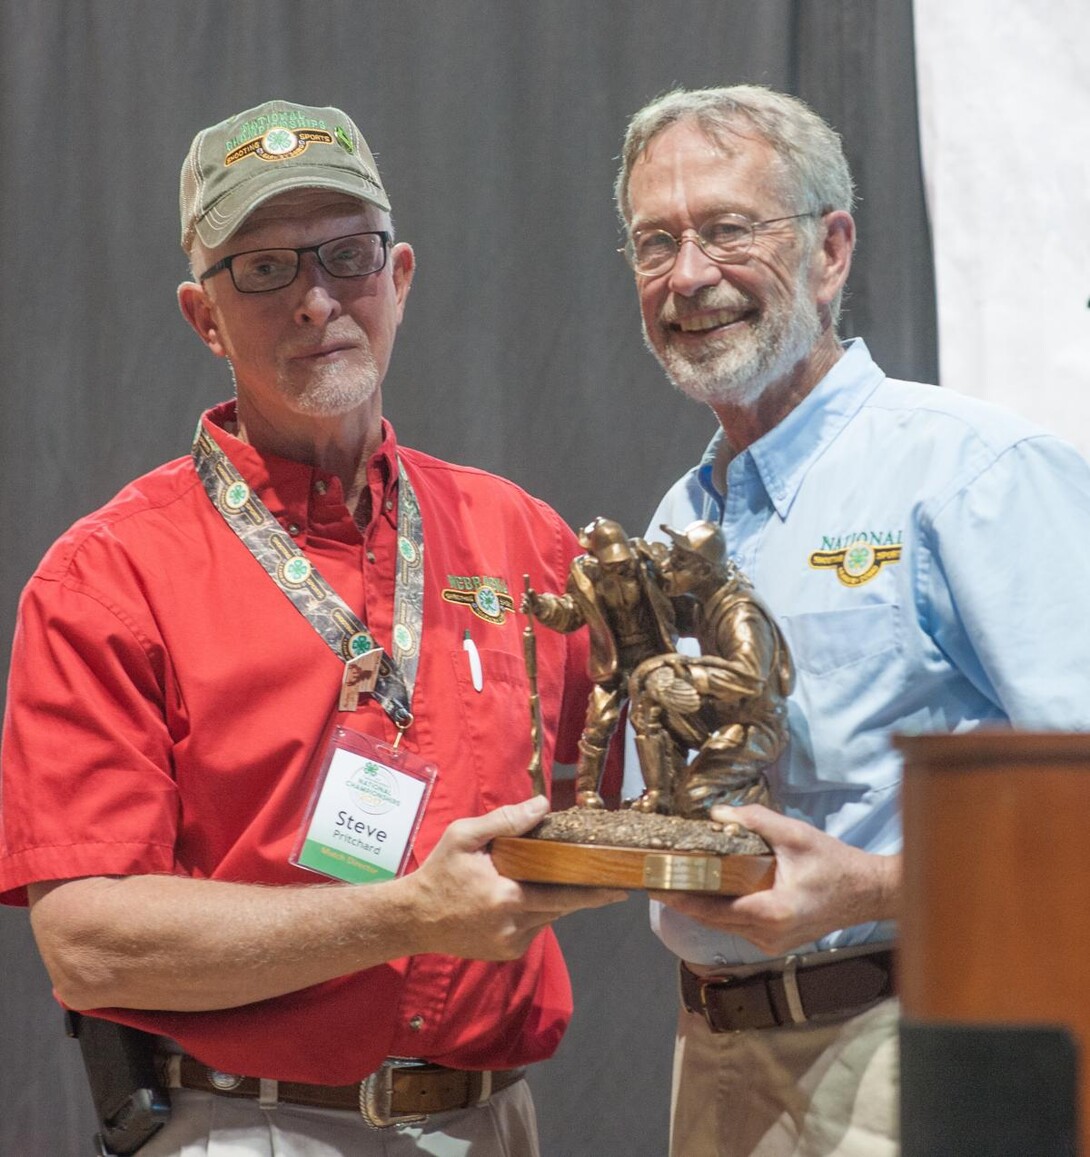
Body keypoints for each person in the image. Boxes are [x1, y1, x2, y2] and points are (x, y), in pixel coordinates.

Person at [0, 99, 624, 1157]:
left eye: (347, 254)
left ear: (402, 276)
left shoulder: (526, 538)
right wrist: (404, 915)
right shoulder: (105, 578)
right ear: (204, 316)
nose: (317, 299)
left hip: (495, 1120)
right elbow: (90, 945)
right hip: (250, 1125)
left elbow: (615, 805)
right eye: (265, 269)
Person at [614, 84, 1090, 1156]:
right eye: (656, 242)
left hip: (915, 1045)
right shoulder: (675, 520)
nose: (689, 276)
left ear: (831, 251)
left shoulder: (972, 474)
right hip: (716, 1060)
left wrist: (868, 888)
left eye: (729, 229)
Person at [626, 520, 793, 819]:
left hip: (756, 724)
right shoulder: (705, 600)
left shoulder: (740, 613)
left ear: (703, 571)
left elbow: (749, 677)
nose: (667, 566)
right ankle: (662, 798)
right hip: (724, 712)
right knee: (653, 702)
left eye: (678, 562)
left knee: (696, 800)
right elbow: (672, 619)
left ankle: (758, 806)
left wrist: (686, 674)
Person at [523, 516, 676, 810]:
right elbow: (571, 614)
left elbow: (679, 596)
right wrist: (542, 606)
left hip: (649, 657)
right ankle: (586, 793)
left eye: (620, 561)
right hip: (612, 662)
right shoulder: (584, 575)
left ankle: (658, 793)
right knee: (599, 724)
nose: (617, 567)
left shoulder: (647, 563)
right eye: (609, 562)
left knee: (650, 723)